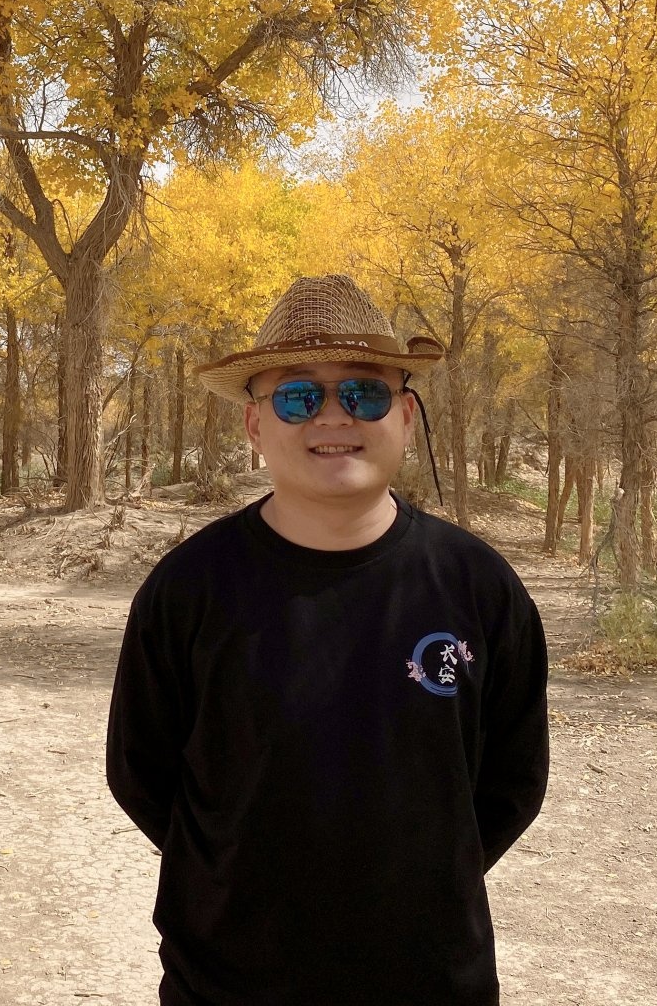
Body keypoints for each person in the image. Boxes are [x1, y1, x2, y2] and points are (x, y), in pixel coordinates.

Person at [106, 274, 549, 1006]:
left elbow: (512, 781)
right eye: (299, 396)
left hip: (432, 979)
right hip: (226, 982)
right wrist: (233, 879)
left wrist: (425, 882)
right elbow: (140, 773)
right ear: (255, 427)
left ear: (406, 417)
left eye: (364, 393)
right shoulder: (189, 589)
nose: (333, 416)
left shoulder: (478, 585)